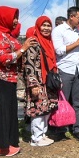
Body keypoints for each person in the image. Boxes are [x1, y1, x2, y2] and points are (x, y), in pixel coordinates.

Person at [0, 6, 36, 156]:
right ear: (2, 18)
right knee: (3, 112)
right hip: (1, 79)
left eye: (16, 18)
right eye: (13, 18)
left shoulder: (6, 35)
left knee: (7, 111)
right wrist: (23, 49)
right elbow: (4, 59)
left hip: (9, 78)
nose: (16, 21)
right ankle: (1, 147)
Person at [51, 7, 79, 141]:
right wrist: (77, 42)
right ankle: (61, 128)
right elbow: (59, 50)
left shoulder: (78, 31)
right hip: (65, 69)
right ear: (71, 16)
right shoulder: (58, 30)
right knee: (63, 101)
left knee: (78, 101)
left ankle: (77, 128)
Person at [22, 16, 59, 147]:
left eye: (49, 26)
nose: (46, 28)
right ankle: (36, 138)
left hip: (48, 82)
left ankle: (42, 134)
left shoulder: (49, 42)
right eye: (43, 25)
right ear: (38, 26)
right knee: (38, 110)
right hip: (38, 82)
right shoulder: (33, 42)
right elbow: (29, 65)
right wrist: (33, 84)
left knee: (46, 109)